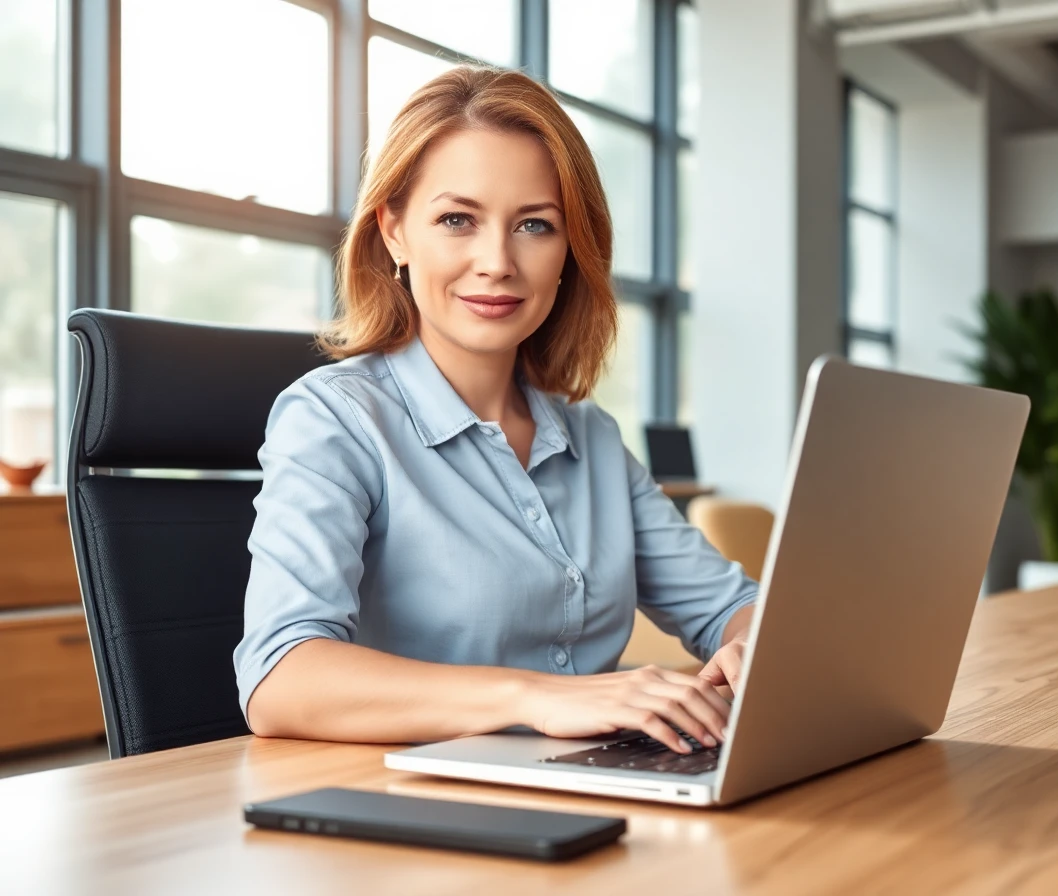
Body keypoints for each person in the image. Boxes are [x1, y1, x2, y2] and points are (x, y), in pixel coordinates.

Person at [234, 64, 758, 757]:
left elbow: (729, 608)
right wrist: (537, 697)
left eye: (534, 225)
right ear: (393, 231)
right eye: (457, 219)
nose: (497, 261)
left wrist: (752, 646)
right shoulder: (334, 421)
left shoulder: (590, 437)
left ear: (570, 250)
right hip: (406, 812)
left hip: (586, 794)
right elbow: (281, 676)